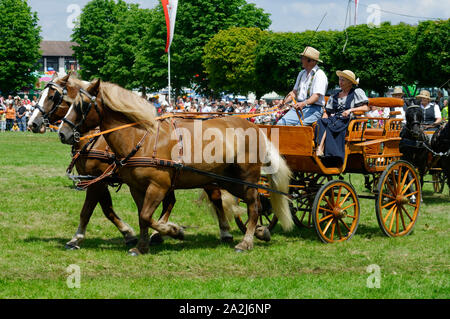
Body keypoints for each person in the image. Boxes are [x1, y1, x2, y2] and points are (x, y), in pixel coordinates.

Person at [315, 70, 370, 163]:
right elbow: (327, 111)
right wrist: (324, 118)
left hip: (348, 120)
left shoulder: (356, 92)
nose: (340, 82)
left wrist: (350, 110)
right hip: (336, 119)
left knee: (333, 123)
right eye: (340, 80)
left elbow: (366, 108)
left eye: (343, 80)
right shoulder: (335, 96)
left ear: (350, 82)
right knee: (321, 122)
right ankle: (320, 149)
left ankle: (323, 149)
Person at [277, 46, 328, 126]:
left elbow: (316, 96)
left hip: (314, 109)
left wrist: (303, 103)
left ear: (311, 61)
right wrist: (284, 102)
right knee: (280, 124)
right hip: (298, 108)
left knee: (299, 128)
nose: (301, 60)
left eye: (303, 58)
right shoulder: (301, 73)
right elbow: (294, 92)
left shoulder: (320, 75)